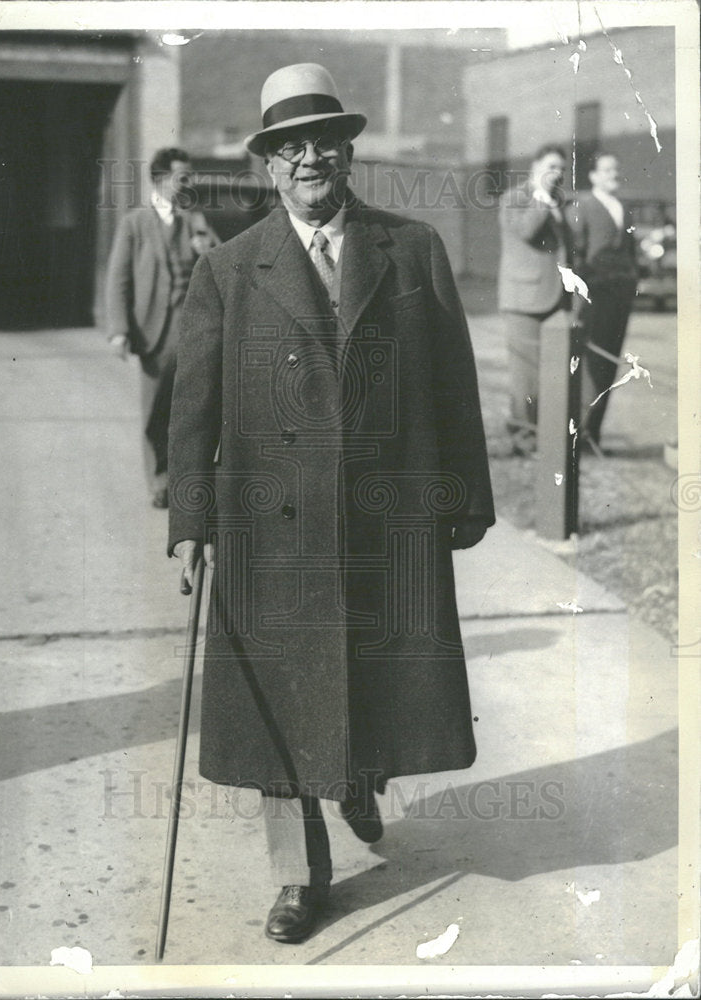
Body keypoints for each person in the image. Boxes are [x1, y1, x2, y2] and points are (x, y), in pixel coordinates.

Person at [167, 63, 494, 943]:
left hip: (385, 517)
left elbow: (453, 383)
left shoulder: (411, 248)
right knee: (280, 697)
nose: (308, 158)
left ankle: (354, 773)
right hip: (269, 525)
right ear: (268, 164)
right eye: (289, 147)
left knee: (372, 672)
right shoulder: (228, 269)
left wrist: (466, 496)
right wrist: (191, 520)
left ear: (347, 153)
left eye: (323, 141)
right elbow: (191, 406)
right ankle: (296, 877)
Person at [105, 148, 219, 508]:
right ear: (160, 179)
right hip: (154, 332)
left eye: (190, 176)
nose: (188, 183)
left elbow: (223, 260)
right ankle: (159, 482)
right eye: (182, 177)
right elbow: (118, 279)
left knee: (194, 410)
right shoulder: (135, 223)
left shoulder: (195, 218)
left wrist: (207, 249)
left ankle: (190, 482)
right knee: (156, 411)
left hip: (195, 329)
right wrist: (119, 330)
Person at [498, 144, 573, 455]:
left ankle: (544, 435)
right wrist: (542, 196)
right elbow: (527, 230)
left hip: (556, 298)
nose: (557, 174)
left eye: (561, 169)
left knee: (551, 373)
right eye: (551, 166)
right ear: (535, 165)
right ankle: (523, 437)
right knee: (526, 377)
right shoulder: (514, 198)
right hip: (524, 300)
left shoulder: (559, 201)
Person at [566, 153, 638, 449]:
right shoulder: (582, 206)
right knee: (591, 364)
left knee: (610, 362)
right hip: (594, 298)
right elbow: (575, 255)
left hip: (620, 298)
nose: (613, 174)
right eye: (606, 170)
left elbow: (630, 252)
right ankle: (580, 434)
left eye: (616, 169)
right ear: (593, 176)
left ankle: (592, 434)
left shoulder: (623, 207)